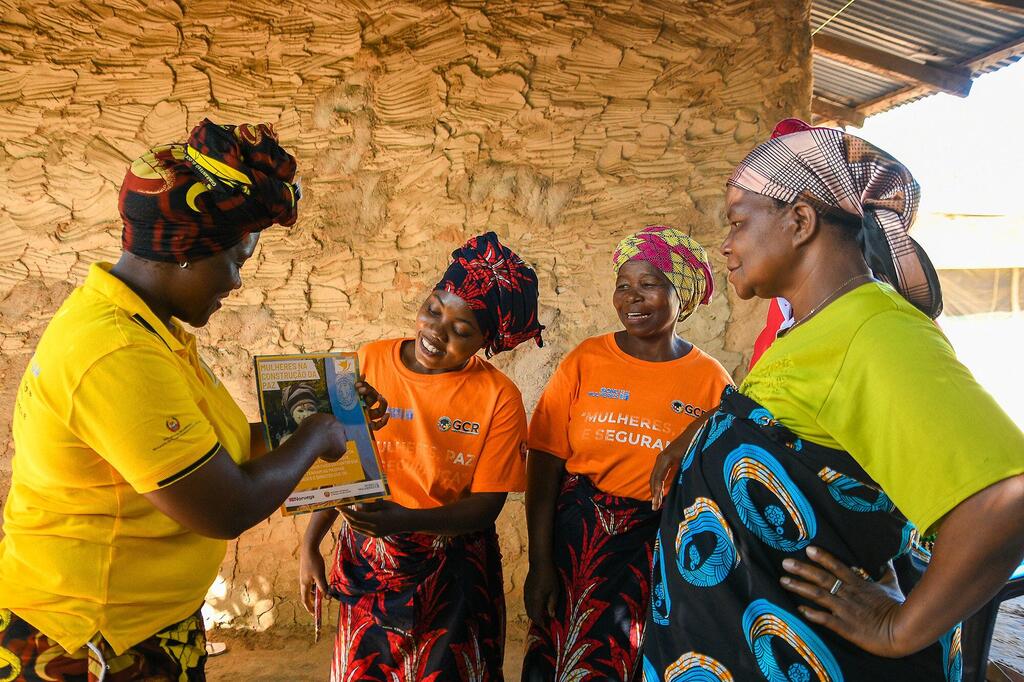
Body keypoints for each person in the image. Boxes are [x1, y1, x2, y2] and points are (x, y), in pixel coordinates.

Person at [0, 120, 388, 681]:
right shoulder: (114, 353)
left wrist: (326, 418)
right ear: (185, 251)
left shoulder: (151, 331)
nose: (234, 284)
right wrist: (316, 437)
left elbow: (210, 453)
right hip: (84, 640)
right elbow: (224, 506)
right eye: (235, 261)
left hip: (147, 624)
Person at [642, 118, 1024, 681]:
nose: (726, 244)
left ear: (799, 221)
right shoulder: (816, 330)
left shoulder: (876, 330)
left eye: (738, 222)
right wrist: (704, 437)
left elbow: (1004, 500)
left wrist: (898, 627)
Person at [300, 232, 545, 681]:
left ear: (485, 341)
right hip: (368, 560)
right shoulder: (370, 361)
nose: (436, 332)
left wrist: (404, 521)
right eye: (434, 310)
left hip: (451, 572)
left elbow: (486, 507)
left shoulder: (499, 398)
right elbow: (341, 464)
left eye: (462, 330)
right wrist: (310, 544)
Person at [521, 226, 732, 681]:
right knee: (557, 663)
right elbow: (544, 462)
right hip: (574, 550)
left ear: (683, 296)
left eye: (648, 284)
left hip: (655, 557)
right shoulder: (585, 360)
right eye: (623, 285)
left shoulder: (712, 381)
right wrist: (540, 562)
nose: (631, 298)